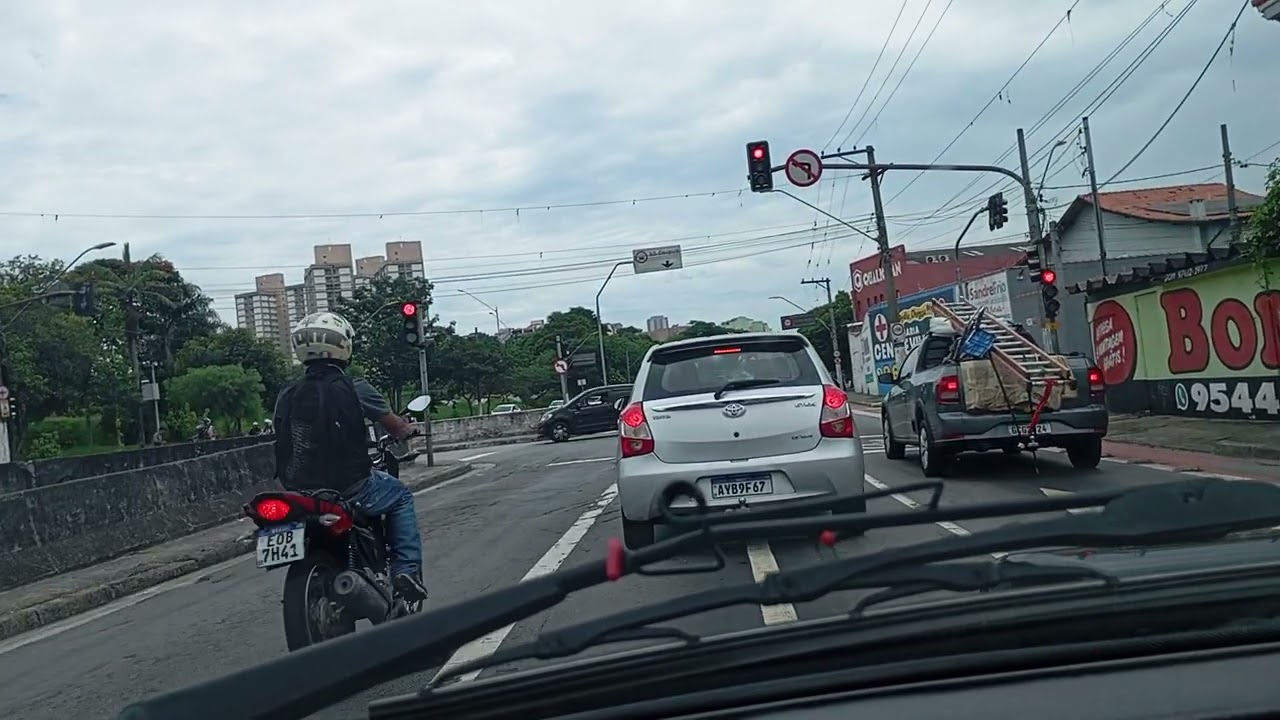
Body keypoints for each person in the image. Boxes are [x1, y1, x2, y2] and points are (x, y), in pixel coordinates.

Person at [271, 311, 429, 602]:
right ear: (343, 346)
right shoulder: (356, 387)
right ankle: (407, 570)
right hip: (352, 487)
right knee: (401, 496)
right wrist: (408, 429)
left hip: (299, 489)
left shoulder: (287, 392)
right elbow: (394, 427)